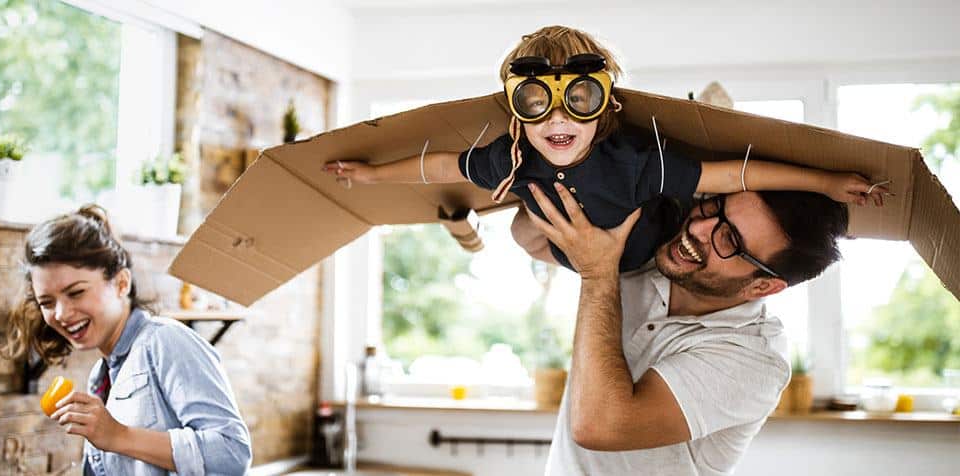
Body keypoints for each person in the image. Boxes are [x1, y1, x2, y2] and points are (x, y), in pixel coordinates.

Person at [322, 25, 886, 273]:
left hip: (642, 255)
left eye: (581, 98)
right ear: (519, 106)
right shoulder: (516, 154)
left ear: (607, 107)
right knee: (521, 230)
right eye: (539, 100)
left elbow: (733, 175)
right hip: (565, 252)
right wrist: (371, 175)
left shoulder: (636, 162)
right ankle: (472, 231)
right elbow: (442, 163)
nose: (559, 119)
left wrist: (825, 183)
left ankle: (499, 225)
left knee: (536, 220)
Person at [518, 182, 850, 475]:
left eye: (729, 239)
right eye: (715, 206)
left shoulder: (756, 360)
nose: (700, 228)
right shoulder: (656, 250)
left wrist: (598, 273)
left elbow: (600, 426)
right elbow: (528, 237)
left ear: (762, 287)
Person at [0, 205, 252, 475]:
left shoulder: (166, 341)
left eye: (76, 293)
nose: (61, 314)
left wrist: (118, 435)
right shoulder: (102, 375)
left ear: (122, 283)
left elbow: (232, 452)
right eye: (47, 302)